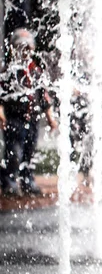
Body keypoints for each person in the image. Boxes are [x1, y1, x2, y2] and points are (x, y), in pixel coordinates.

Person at [0, 28, 58, 196]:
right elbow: (1, 93)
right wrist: (1, 111)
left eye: (28, 49)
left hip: (31, 118)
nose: (25, 52)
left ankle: (27, 180)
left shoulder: (35, 71)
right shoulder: (9, 72)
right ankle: (9, 180)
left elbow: (44, 96)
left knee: (30, 151)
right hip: (14, 118)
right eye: (21, 48)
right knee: (14, 152)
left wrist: (50, 117)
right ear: (13, 49)